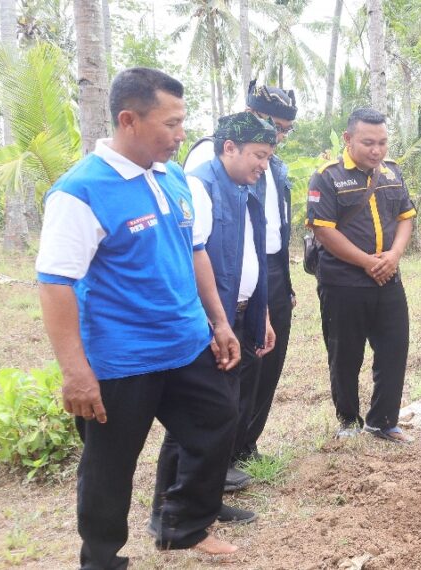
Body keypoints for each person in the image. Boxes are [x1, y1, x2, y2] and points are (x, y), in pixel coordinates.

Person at [36, 67, 241, 568]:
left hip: (185, 343)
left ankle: (183, 526)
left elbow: (194, 252)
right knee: (110, 467)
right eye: (170, 124)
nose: (180, 135)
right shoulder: (80, 192)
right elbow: (56, 282)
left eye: (182, 122)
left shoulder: (173, 179)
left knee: (218, 421)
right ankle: (102, 559)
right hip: (121, 360)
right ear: (128, 120)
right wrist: (75, 371)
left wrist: (218, 321)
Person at [151, 112, 279, 531]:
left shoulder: (243, 187)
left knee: (224, 412)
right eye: (259, 156)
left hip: (239, 314)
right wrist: (215, 323)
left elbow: (251, 255)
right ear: (229, 148)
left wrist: (261, 313)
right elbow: (192, 258)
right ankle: (169, 510)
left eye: (268, 157)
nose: (264, 166)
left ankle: (206, 499)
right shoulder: (198, 187)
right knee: (196, 416)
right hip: (210, 321)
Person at [184, 82, 299, 467]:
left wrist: (281, 284)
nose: (279, 137)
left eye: (285, 131)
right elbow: (201, 235)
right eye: (275, 126)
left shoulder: (273, 163)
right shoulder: (212, 156)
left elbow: (271, 226)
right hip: (223, 275)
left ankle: (243, 445)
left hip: (267, 272)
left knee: (264, 361)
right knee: (226, 373)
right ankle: (221, 455)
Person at [308, 108, 416, 442]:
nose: (377, 150)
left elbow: (405, 217)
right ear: (348, 138)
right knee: (345, 353)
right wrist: (368, 262)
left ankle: (383, 421)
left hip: (388, 279)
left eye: (382, 142)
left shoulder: (393, 173)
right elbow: (324, 231)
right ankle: (349, 421)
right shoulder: (327, 177)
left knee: (394, 349)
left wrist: (394, 255)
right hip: (343, 282)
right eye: (368, 142)